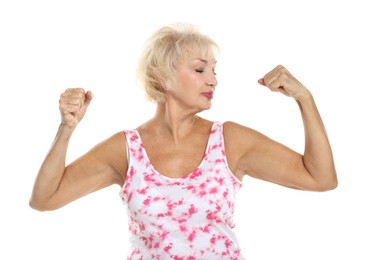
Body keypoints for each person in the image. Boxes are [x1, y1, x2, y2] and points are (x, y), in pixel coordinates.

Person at [29, 23, 338, 259]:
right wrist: (66, 129)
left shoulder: (230, 140)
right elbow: (44, 199)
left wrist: (304, 99)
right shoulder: (125, 150)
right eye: (200, 69)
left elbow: (321, 178)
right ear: (162, 77)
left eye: (214, 71)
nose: (213, 80)